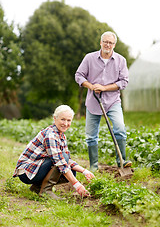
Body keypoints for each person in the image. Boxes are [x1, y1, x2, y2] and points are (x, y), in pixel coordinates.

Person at [75, 31, 132, 171]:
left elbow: (124, 82)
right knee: (91, 136)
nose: (108, 44)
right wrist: (91, 86)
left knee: (120, 128)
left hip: (113, 101)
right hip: (93, 102)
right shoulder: (89, 58)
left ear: (114, 45)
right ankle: (94, 166)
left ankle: (122, 161)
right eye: (105, 41)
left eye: (110, 43)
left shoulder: (121, 60)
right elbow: (79, 75)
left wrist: (105, 88)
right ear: (100, 42)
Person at [13, 105, 95, 200]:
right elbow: (60, 161)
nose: (65, 123)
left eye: (69, 120)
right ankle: (45, 191)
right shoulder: (50, 134)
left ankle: (37, 187)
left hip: (37, 168)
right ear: (55, 118)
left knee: (72, 171)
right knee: (63, 163)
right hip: (27, 171)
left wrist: (85, 171)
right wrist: (77, 185)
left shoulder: (61, 135)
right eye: (62, 119)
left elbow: (67, 160)